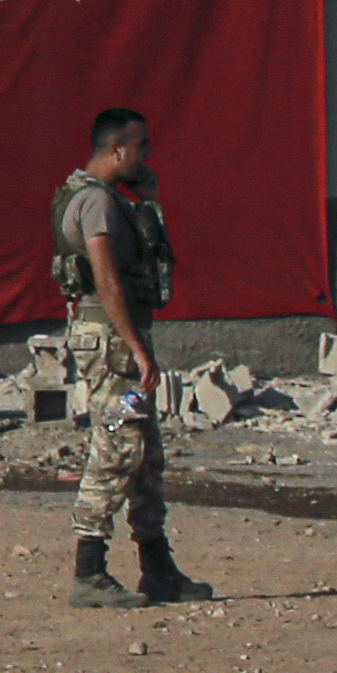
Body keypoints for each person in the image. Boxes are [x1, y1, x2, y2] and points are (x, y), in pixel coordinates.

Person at [53, 107, 208, 608]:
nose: (146, 155)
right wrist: (138, 350)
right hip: (111, 347)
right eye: (140, 146)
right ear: (116, 149)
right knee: (116, 443)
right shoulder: (95, 202)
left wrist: (151, 204)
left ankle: (157, 568)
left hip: (122, 341)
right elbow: (107, 281)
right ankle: (88, 569)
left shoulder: (114, 200)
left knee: (146, 457)